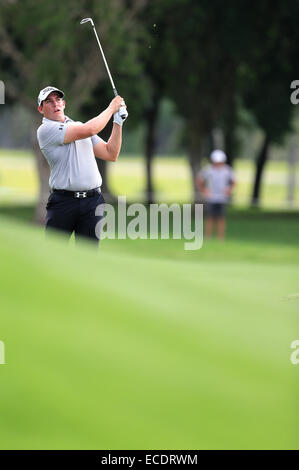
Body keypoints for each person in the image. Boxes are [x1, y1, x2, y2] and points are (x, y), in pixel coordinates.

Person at [37, 85, 127, 244]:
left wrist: (117, 122)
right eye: (49, 102)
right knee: (55, 257)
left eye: (58, 100)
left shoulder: (78, 126)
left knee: (88, 258)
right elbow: (91, 129)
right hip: (63, 203)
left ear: (63, 104)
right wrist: (111, 108)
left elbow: (110, 153)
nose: (55, 104)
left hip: (93, 203)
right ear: (41, 109)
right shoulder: (45, 130)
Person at [196, 149, 235, 240]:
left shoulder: (227, 170)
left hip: (222, 198)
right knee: (210, 218)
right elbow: (199, 180)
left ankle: (220, 238)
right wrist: (204, 190)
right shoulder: (209, 169)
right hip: (211, 198)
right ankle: (208, 237)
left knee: (221, 218)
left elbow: (234, 181)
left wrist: (229, 190)